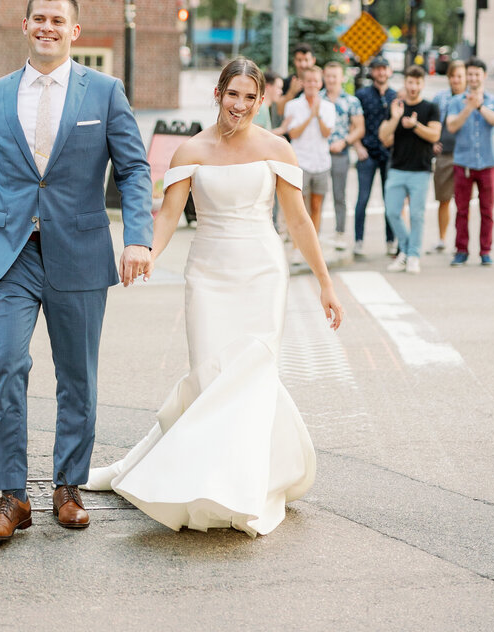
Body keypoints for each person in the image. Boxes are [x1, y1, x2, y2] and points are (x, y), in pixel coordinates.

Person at [86, 57, 343, 536]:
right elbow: (168, 215)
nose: (240, 106)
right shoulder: (190, 151)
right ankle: (189, 474)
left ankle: (239, 487)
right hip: (207, 273)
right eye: (232, 95)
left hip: (263, 274)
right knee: (210, 377)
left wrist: (326, 283)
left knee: (250, 376)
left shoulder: (278, 150)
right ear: (218, 94)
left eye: (250, 97)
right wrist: (146, 254)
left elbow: (299, 221)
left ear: (262, 100)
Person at [0, 0, 153, 542]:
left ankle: (68, 486)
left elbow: (133, 170)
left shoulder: (105, 92)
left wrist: (138, 238)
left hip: (80, 252)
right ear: (25, 25)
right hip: (9, 253)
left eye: (58, 20)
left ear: (74, 31)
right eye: (39, 19)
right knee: (4, 366)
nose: (48, 28)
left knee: (77, 377)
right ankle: (12, 496)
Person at [378, 66, 441, 274]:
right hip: (397, 168)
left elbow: (434, 135)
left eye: (417, 82)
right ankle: (406, 249)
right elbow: (384, 137)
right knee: (392, 212)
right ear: (405, 83)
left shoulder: (431, 108)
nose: (413, 87)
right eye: (410, 82)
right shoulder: (396, 107)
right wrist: (396, 118)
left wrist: (415, 126)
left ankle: (413, 255)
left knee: (417, 215)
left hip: (420, 170)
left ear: (422, 84)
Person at [446, 57, 494, 267]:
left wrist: (479, 107)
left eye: (476, 74)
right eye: (469, 74)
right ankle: (461, 250)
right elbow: (452, 126)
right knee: (462, 210)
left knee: (487, 210)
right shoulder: (456, 101)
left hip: (487, 162)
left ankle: (485, 251)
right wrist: (469, 108)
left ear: (483, 76)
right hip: (463, 162)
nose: (472, 78)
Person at [353, 56, 398, 259]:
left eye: (384, 69)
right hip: (367, 153)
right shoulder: (362, 95)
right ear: (372, 72)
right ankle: (359, 241)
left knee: (390, 200)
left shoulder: (396, 96)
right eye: (377, 69)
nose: (380, 72)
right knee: (363, 199)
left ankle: (390, 241)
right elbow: (352, 123)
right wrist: (357, 146)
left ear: (389, 71)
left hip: (389, 155)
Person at [282, 64, 335, 235]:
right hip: (300, 161)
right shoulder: (293, 106)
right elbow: (294, 134)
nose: (312, 84)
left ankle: (315, 240)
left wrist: (318, 114)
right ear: (303, 83)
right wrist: (310, 115)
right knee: (300, 207)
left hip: (321, 163)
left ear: (321, 83)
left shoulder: (328, 107)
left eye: (315, 81)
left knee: (316, 205)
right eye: (309, 81)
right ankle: (298, 246)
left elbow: (327, 133)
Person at [322, 61, 364, 251]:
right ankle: (314, 232)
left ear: (342, 78)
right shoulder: (317, 98)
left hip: (341, 153)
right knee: (316, 195)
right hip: (319, 154)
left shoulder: (351, 101)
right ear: (324, 77)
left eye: (335, 76)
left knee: (339, 195)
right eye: (328, 76)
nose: (331, 80)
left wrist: (345, 142)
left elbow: (359, 128)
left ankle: (340, 232)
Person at [431, 60, 467, 252]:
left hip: (464, 155)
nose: (456, 80)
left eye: (459, 76)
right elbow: (431, 122)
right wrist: (433, 143)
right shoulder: (440, 98)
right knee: (443, 199)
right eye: (453, 76)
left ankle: (460, 242)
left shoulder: (471, 99)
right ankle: (442, 238)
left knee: (463, 201)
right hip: (444, 154)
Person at [274, 42, 315, 119]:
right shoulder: (287, 82)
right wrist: (291, 92)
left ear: (313, 60)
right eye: (299, 60)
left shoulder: (321, 82)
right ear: (294, 61)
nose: (303, 64)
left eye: (306, 60)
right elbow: (280, 110)